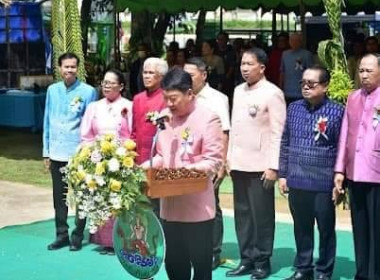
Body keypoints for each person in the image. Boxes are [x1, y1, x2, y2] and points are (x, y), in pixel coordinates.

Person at [147, 68, 223, 280]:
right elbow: (161, 154)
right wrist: (147, 166)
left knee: (200, 267)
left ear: (190, 93)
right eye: (166, 99)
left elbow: (213, 160)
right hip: (170, 207)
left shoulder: (208, 118)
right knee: (174, 265)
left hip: (197, 208)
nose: (169, 104)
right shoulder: (164, 118)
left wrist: (184, 173)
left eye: (173, 99)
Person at [279, 66, 344, 280]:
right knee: (301, 228)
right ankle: (303, 268)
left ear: (325, 86)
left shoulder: (337, 111)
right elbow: (286, 141)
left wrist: (339, 179)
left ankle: (324, 271)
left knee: (326, 230)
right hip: (297, 180)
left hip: (324, 183)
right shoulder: (294, 108)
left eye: (311, 84)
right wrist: (283, 173)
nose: (306, 87)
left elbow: (343, 147)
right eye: (303, 83)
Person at [226, 47, 286, 279]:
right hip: (239, 162)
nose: (244, 68)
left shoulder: (273, 93)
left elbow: (277, 132)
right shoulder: (238, 91)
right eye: (242, 63)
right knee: (242, 214)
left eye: (249, 64)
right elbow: (235, 127)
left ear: (262, 67)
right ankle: (246, 258)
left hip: (261, 165)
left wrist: (273, 166)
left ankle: (262, 260)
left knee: (261, 215)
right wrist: (229, 157)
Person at [43, 52, 97, 251]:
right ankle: (61, 235)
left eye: (73, 67)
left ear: (78, 68)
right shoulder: (52, 90)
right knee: (60, 198)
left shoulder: (88, 92)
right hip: (56, 153)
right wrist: (46, 152)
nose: (69, 70)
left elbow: (91, 124)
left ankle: (77, 236)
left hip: (78, 154)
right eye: (66, 67)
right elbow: (47, 121)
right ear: (59, 68)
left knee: (82, 196)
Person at [334, 53, 380, 280]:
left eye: (369, 71)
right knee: (360, 227)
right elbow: (345, 134)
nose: (364, 75)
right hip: (355, 173)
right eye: (361, 70)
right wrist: (340, 169)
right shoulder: (353, 98)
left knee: (377, 229)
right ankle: (362, 273)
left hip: (377, 173)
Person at [184, 57, 230, 270]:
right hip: (185, 161)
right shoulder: (182, 96)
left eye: (191, 75)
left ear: (204, 74)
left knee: (212, 205)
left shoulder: (217, 98)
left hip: (208, 160)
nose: (186, 79)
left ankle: (213, 252)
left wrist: (221, 164)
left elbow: (224, 132)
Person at [80, 69, 132, 254]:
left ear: (121, 86)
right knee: (101, 199)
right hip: (97, 157)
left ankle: (121, 239)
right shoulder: (94, 106)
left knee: (118, 199)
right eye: (104, 82)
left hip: (121, 158)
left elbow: (132, 134)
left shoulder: (129, 106)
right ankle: (105, 240)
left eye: (111, 83)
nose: (107, 86)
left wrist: (121, 153)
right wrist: (92, 153)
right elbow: (86, 134)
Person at [131, 57, 168, 215]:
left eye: (151, 73)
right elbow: (134, 130)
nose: (146, 76)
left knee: (157, 205)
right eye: (144, 72)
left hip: (158, 159)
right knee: (139, 202)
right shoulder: (137, 98)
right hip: (138, 158)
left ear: (161, 76)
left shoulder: (167, 98)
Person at [280, 33, 314, 105]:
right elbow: (282, 72)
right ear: (289, 42)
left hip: (301, 92)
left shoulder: (307, 54)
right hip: (287, 91)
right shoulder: (284, 54)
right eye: (292, 40)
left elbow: (311, 74)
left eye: (296, 41)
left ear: (300, 42)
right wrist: (280, 87)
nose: (294, 43)